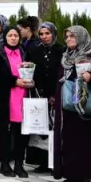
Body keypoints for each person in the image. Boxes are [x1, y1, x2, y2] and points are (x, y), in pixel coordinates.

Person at [54, 25, 91, 182]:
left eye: (72, 36)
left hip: (84, 102)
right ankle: (70, 174)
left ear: (81, 37)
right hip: (67, 102)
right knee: (68, 138)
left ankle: (84, 176)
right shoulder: (65, 56)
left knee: (84, 139)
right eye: (66, 36)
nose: (68, 39)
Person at [0, 24, 33, 178]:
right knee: (4, 133)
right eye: (10, 36)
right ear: (5, 37)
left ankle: (19, 164)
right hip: (4, 98)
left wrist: (30, 81)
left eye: (16, 36)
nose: (13, 38)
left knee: (22, 133)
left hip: (23, 97)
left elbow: (31, 71)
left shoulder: (23, 51)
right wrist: (14, 82)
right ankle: (4, 164)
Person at [25, 23, 63, 173]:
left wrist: (55, 94)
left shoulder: (61, 50)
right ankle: (41, 162)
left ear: (53, 34)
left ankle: (55, 162)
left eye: (47, 33)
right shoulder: (34, 50)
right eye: (41, 34)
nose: (44, 37)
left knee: (54, 128)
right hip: (38, 94)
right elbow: (28, 68)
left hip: (55, 94)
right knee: (39, 128)